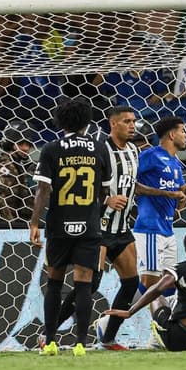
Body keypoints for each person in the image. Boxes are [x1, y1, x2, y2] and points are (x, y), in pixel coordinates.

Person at [54, 106, 141, 351]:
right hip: (99, 228)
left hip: (121, 228)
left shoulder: (134, 150)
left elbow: (132, 185)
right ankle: (49, 332)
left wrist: (166, 195)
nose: (132, 126)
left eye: (133, 121)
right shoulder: (99, 149)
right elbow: (83, 185)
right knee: (90, 284)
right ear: (113, 124)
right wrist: (107, 200)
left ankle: (107, 338)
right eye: (127, 121)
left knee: (131, 283)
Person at [30, 97, 111, 357]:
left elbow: (43, 189)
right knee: (84, 284)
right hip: (88, 224)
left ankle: (51, 342)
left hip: (59, 225)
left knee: (54, 281)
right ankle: (80, 344)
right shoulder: (100, 148)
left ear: (60, 121)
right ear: (87, 121)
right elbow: (104, 191)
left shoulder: (51, 148)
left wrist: (34, 222)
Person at [132, 116, 186, 327]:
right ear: (172, 134)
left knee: (168, 284)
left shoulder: (175, 163)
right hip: (150, 228)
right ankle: (113, 319)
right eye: (183, 131)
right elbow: (132, 184)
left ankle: (162, 328)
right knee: (150, 282)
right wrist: (166, 194)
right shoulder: (150, 156)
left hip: (168, 231)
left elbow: (183, 193)